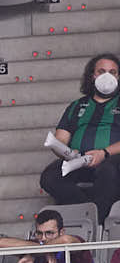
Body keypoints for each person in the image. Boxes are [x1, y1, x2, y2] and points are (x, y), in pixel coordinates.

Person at [39, 54, 120, 218]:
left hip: (112, 160)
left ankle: (99, 220)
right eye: (102, 71)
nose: (107, 76)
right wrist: (67, 152)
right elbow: (61, 137)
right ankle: (87, 211)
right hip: (78, 161)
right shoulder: (76, 106)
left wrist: (103, 153)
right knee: (49, 177)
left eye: (113, 72)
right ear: (93, 75)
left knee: (108, 171)